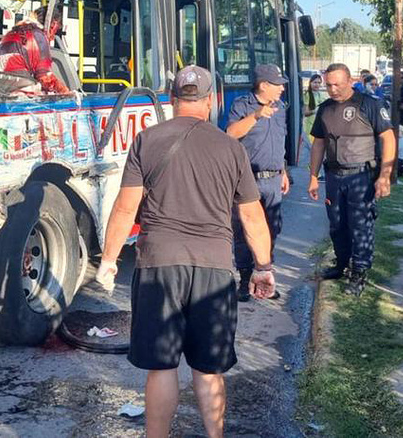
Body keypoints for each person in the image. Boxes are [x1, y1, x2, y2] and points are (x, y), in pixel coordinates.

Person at [96, 65, 276, 438]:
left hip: (159, 266)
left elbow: (126, 207)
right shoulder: (231, 148)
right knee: (209, 370)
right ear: (211, 101)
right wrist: (262, 267)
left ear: (173, 100)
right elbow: (251, 216)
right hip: (214, 268)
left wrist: (110, 260)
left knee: (161, 367)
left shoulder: (147, 140)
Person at [308, 63, 396, 296]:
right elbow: (318, 143)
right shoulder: (325, 109)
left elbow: (388, 137)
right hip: (334, 176)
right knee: (337, 224)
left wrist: (385, 175)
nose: (333, 89)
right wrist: (313, 177)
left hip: (361, 175)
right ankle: (341, 264)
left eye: (337, 84)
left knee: (360, 225)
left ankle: (359, 272)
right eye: (328, 85)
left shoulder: (369, 104)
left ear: (350, 81)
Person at [226, 64, 290, 302]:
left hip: (273, 179)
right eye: (278, 84)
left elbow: (279, 141)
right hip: (247, 180)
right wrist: (255, 116)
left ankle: (264, 276)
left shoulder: (280, 108)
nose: (282, 89)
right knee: (243, 232)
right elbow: (230, 133)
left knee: (271, 230)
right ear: (263, 85)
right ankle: (244, 280)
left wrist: (283, 170)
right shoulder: (242, 105)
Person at [0, 6, 69, 95]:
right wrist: (65, 91)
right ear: (53, 24)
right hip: (16, 85)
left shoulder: (16, 30)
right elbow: (45, 77)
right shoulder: (39, 37)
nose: (53, 37)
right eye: (55, 31)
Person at [304, 74, 328, 142]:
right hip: (310, 128)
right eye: (315, 82)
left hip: (321, 127)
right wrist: (315, 111)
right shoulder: (307, 95)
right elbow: (305, 112)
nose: (317, 84)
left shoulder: (322, 95)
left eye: (319, 83)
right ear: (310, 83)